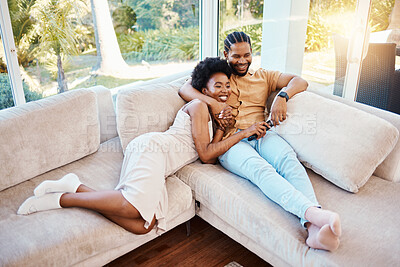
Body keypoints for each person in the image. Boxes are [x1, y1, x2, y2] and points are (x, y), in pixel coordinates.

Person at [17, 57, 267, 235]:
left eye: (227, 86)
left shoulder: (214, 117)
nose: (224, 91)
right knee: (131, 207)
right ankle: (63, 199)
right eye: (217, 86)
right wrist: (243, 133)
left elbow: (210, 158)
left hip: (160, 164)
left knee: (143, 226)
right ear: (204, 89)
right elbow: (204, 154)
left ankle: (76, 186)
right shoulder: (200, 106)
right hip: (153, 149)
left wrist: (224, 128)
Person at [179, 31, 342, 251]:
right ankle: (313, 213)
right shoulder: (220, 78)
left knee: (288, 160)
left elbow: (299, 81)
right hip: (232, 141)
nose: (242, 61)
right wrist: (214, 104)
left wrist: (282, 97)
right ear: (226, 54)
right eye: (236, 56)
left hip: (263, 134)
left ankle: (313, 229)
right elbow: (185, 88)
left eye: (247, 55)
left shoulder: (263, 76)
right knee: (261, 170)